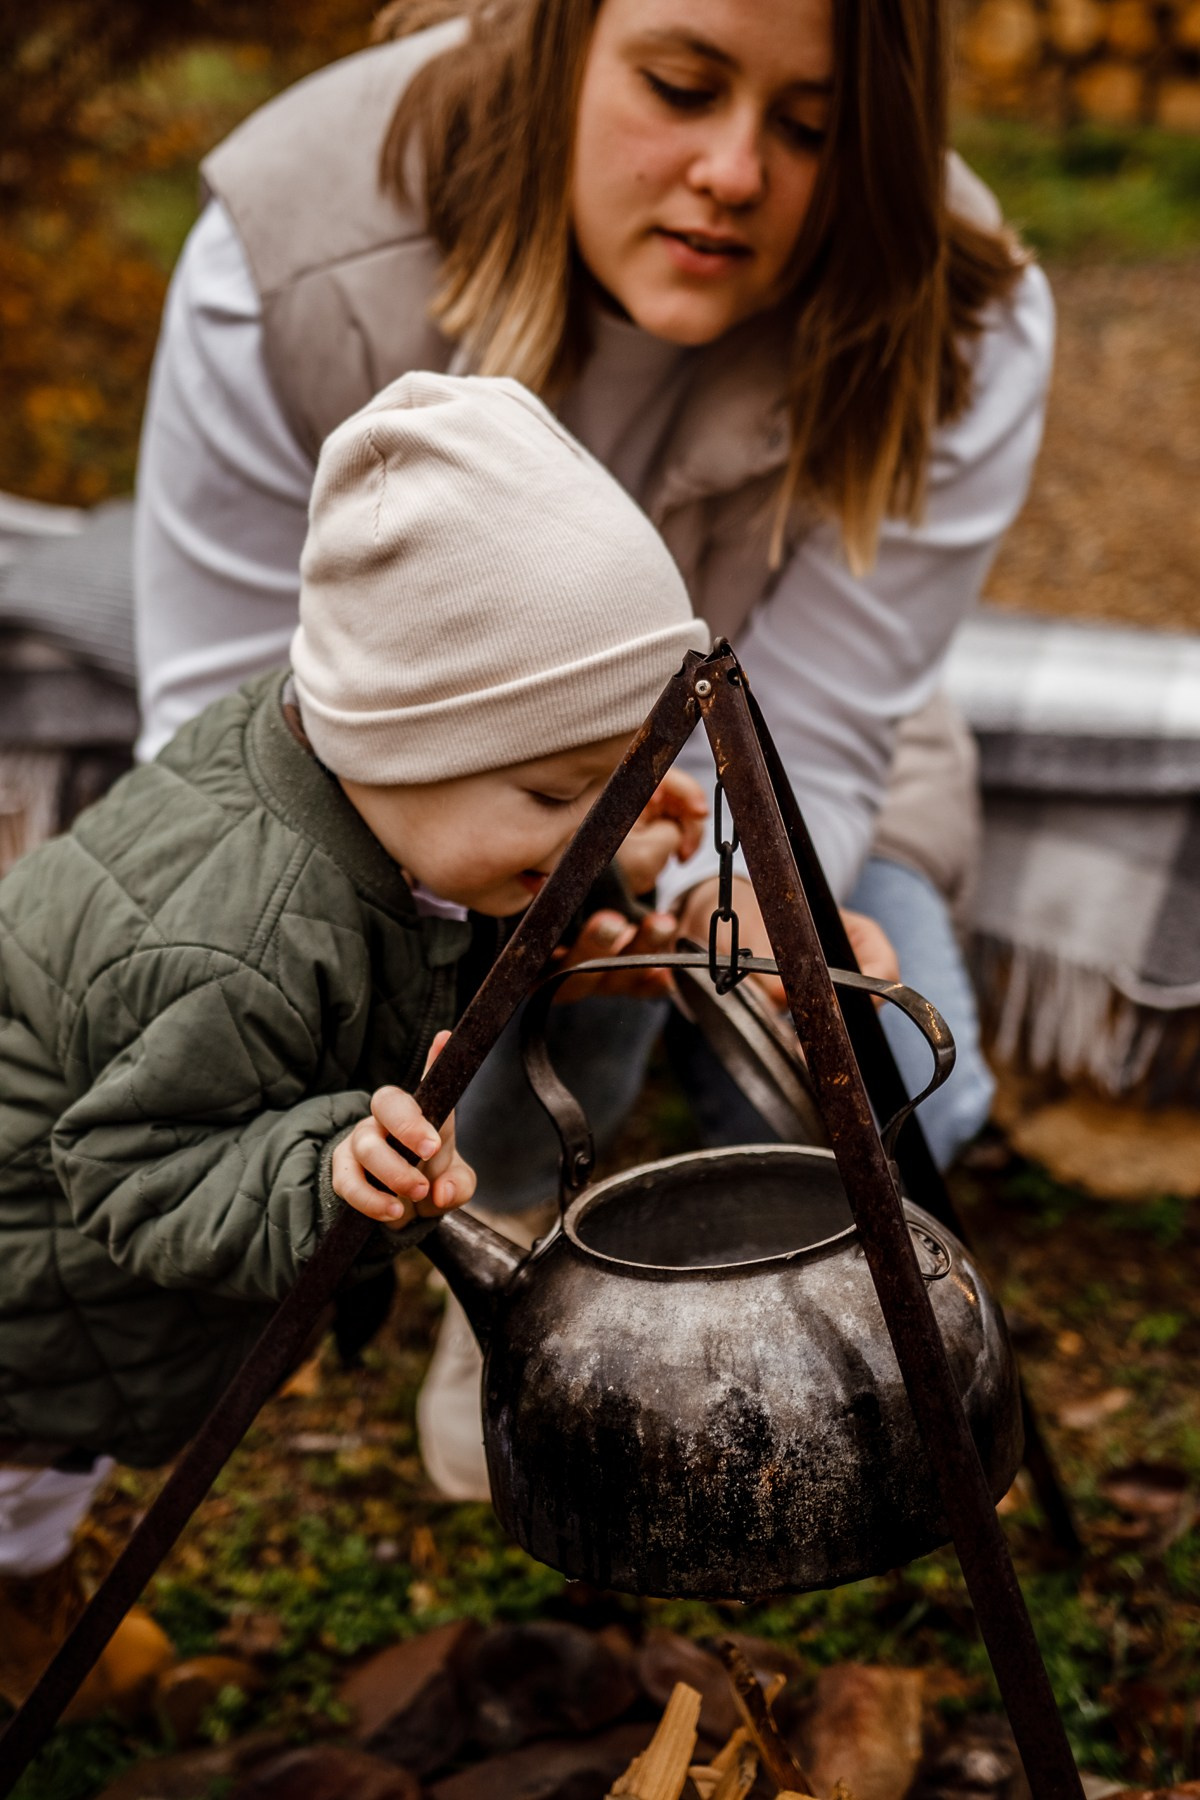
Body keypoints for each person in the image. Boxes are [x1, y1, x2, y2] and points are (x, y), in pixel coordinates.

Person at [132, 0, 1054, 1495]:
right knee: (474, 993)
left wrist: (746, 902)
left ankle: (684, 1109)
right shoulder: (288, 257)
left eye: (814, 127)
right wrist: (471, 899)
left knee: (911, 1079)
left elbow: (818, 708)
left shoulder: (963, 302)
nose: (735, 172)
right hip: (405, 792)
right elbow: (222, 726)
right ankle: (497, 1262)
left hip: (745, 755)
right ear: (558, 36)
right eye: (680, 87)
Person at [0, 372, 710, 1716]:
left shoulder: (360, 774)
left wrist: (592, 861)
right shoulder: (242, 936)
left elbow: (450, 885)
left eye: (608, 781)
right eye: (562, 791)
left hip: (66, 1244)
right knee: (25, 1457)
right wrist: (324, 1166)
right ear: (404, 736)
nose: (589, 821)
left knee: (47, 1463)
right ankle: (20, 1604)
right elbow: (132, 1162)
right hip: (26, 1269)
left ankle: (23, 1595)